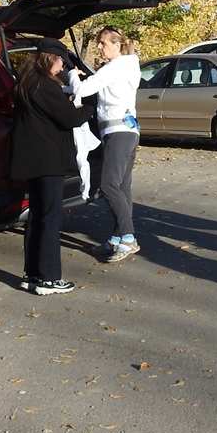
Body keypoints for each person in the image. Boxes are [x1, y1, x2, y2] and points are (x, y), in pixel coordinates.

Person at [10, 39, 96, 294]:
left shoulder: (26, 82)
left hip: (32, 159)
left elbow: (47, 111)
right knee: (50, 217)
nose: (62, 68)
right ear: (51, 59)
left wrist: (64, 100)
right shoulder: (44, 85)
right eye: (61, 62)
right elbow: (69, 118)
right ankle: (48, 278)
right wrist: (89, 108)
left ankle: (32, 274)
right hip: (48, 160)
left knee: (36, 216)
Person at [72, 26, 142, 261]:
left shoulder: (115, 67)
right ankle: (117, 237)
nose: (99, 48)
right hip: (129, 131)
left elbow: (83, 89)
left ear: (117, 45)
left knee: (109, 186)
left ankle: (129, 238)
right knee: (122, 187)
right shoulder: (127, 66)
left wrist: (71, 75)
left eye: (103, 43)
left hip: (117, 132)